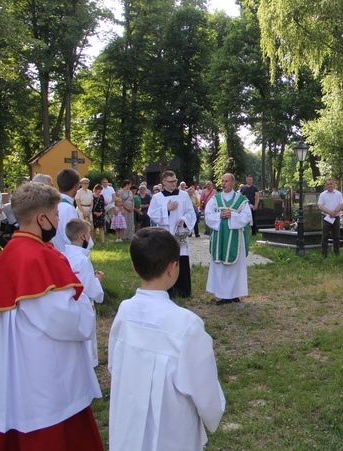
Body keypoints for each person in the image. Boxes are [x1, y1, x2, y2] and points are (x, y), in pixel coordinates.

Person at [0, 182, 103, 449]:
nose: (59, 219)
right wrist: (86, 309)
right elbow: (65, 320)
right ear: (41, 219)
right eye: (55, 214)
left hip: (17, 363)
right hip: (44, 372)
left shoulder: (8, 253)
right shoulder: (38, 258)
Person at [108, 227, 225, 450]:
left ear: (134, 267)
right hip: (172, 429)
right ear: (173, 267)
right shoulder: (186, 324)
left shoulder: (124, 311)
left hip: (128, 418)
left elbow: (115, 364)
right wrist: (213, 413)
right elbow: (203, 385)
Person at [205, 173, 252, 305]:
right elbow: (208, 215)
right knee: (220, 266)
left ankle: (234, 294)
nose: (223, 183)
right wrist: (220, 215)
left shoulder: (241, 200)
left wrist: (232, 215)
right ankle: (222, 294)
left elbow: (247, 217)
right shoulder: (216, 199)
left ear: (233, 183)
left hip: (235, 238)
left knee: (235, 267)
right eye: (222, 181)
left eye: (226, 181)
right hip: (219, 237)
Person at [148, 170, 197, 298]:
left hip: (180, 233)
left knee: (181, 259)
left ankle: (183, 291)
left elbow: (191, 212)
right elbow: (151, 214)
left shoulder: (184, 195)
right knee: (166, 261)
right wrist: (167, 210)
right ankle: (167, 291)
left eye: (175, 181)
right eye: (170, 181)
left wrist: (184, 220)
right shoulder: (157, 197)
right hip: (166, 233)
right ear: (163, 182)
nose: (173, 183)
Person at [64, 218, 105, 368]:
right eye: (89, 234)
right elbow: (90, 289)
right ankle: (88, 365)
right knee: (86, 339)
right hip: (83, 304)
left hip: (69, 303)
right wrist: (98, 280)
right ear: (83, 236)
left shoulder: (64, 255)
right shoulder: (82, 260)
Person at [53, 168, 81, 253]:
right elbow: (73, 239)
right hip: (67, 257)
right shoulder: (68, 209)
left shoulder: (54, 205)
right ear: (76, 186)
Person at [317, 178, 343, 258]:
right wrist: (329, 212)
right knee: (325, 236)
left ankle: (336, 253)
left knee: (336, 236)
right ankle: (324, 254)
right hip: (326, 217)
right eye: (328, 184)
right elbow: (320, 206)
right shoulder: (323, 195)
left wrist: (334, 212)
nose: (329, 186)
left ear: (334, 185)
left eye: (330, 184)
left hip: (336, 217)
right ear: (326, 185)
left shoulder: (338, 194)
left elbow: (341, 204)